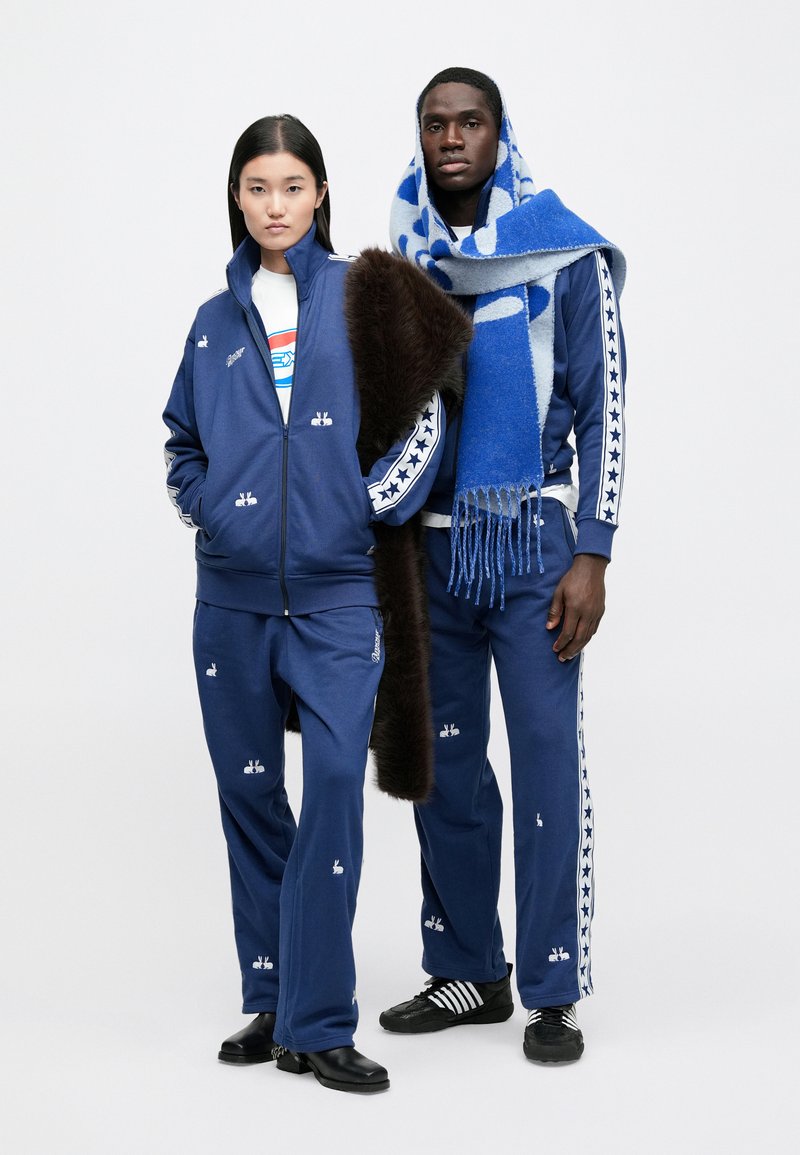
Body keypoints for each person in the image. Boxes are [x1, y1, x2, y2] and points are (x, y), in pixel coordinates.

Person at [162, 114, 471, 1094]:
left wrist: (359, 506)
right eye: (258, 188)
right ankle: (273, 1002)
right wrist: (213, 513)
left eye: (292, 186)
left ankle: (320, 1021)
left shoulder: (362, 297)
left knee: (336, 785)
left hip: (339, 597)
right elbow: (181, 443)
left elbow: (428, 411)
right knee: (251, 797)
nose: (275, 206)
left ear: (320, 194)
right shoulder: (213, 322)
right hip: (232, 602)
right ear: (238, 197)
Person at [379, 68, 627, 1063]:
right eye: (434, 123)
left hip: (533, 548)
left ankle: (552, 987)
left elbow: (605, 406)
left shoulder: (562, 252)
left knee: (545, 759)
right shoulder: (400, 262)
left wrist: (593, 550)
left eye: (469, 121)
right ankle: (470, 970)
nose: (451, 137)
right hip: (428, 554)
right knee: (441, 767)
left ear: (498, 135)